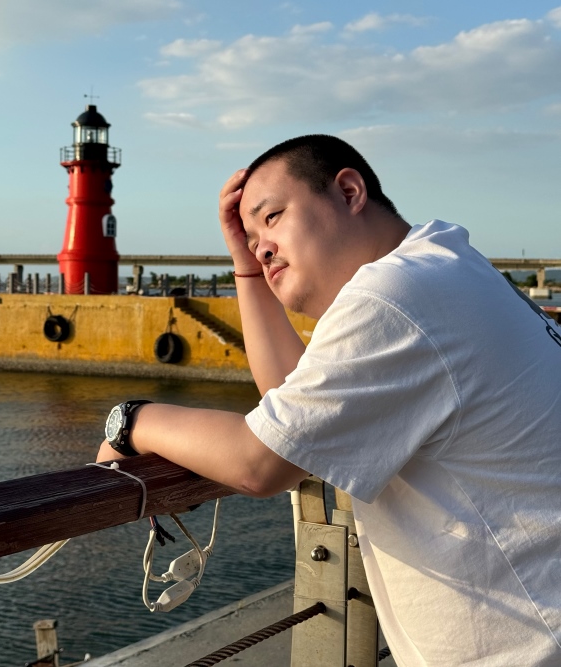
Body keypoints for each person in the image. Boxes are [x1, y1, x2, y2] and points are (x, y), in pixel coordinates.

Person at [98, 134, 561, 667]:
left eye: (272, 217)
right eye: (251, 238)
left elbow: (259, 463)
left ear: (348, 192)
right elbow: (295, 416)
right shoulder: (447, 265)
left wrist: (130, 422)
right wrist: (246, 266)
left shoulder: (393, 297)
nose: (261, 247)